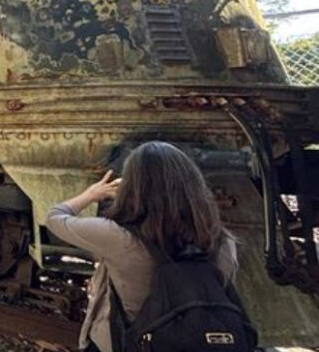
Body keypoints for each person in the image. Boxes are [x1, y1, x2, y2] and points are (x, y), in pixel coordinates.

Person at [45, 141, 239, 352]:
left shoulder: (117, 237)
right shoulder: (221, 241)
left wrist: (93, 194)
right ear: (194, 186)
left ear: (132, 188)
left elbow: (55, 218)